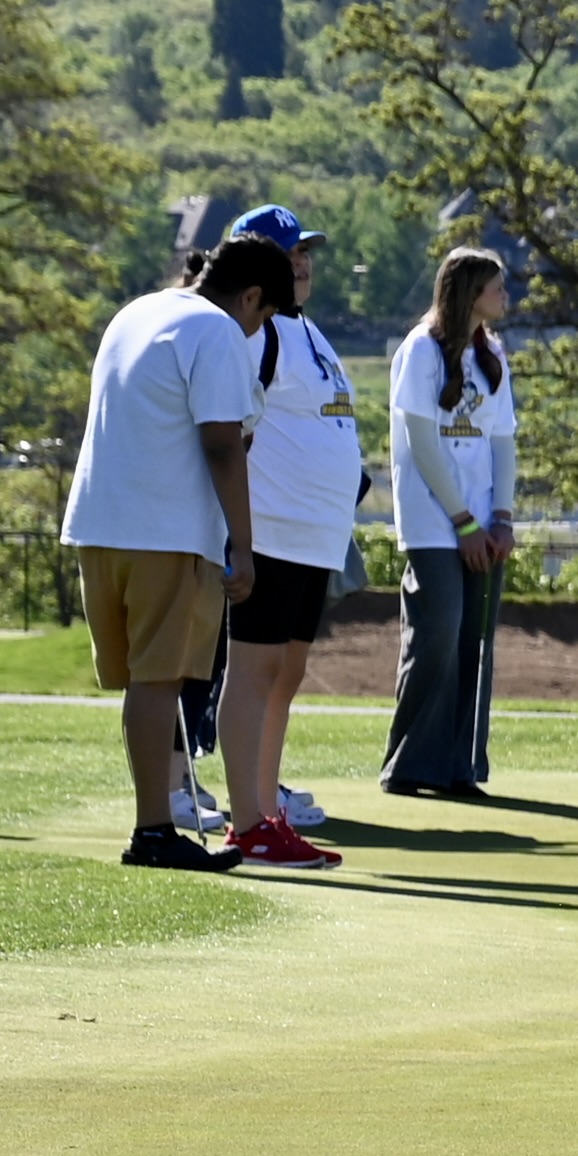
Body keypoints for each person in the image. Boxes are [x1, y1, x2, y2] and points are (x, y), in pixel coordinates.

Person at [58, 222, 266, 872]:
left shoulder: (137, 311)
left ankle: (153, 822)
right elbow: (223, 444)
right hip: (165, 530)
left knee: (143, 683)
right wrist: (245, 545)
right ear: (252, 297)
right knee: (159, 680)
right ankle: (152, 831)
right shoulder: (218, 329)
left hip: (99, 524)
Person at [189, 225, 357, 874]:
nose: (303, 263)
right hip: (275, 529)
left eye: (308, 251)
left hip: (315, 535)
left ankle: (266, 810)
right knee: (254, 674)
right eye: (290, 254)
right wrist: (239, 534)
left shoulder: (307, 330)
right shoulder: (254, 329)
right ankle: (249, 821)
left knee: (283, 678)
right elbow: (234, 422)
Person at [377, 243, 516, 798]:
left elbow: (502, 440)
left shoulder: (494, 355)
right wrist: (462, 522)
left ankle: (459, 767)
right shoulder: (420, 351)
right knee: (437, 633)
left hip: (483, 522)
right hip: (437, 521)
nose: (505, 296)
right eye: (495, 287)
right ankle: (410, 764)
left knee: (471, 642)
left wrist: (500, 516)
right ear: (467, 293)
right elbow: (423, 442)